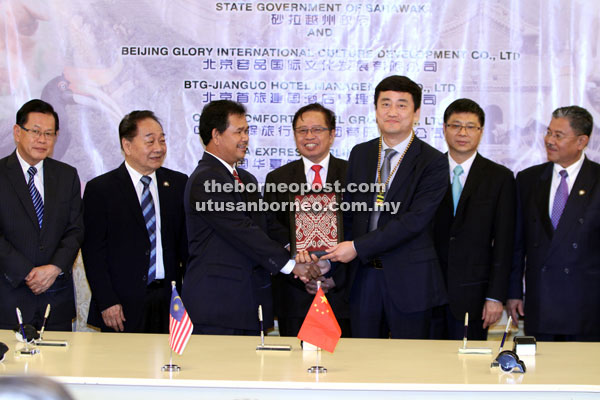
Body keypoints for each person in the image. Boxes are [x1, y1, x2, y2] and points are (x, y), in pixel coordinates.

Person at [183, 100, 323, 335]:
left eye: (247, 131)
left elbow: (266, 223)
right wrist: (291, 265)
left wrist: (298, 249)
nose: (246, 138)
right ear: (216, 135)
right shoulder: (206, 180)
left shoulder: (244, 179)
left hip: (248, 302)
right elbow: (243, 231)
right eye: (238, 131)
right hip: (217, 305)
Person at [323, 75, 448, 339]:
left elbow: (414, 221)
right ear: (376, 109)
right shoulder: (361, 154)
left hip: (410, 280)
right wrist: (329, 260)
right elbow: (348, 215)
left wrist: (357, 247)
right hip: (363, 278)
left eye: (402, 105)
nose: (392, 112)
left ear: (416, 113)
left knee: (410, 366)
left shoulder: (433, 161)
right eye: (386, 104)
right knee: (364, 364)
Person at [82, 111, 188, 333]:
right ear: (127, 146)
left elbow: (185, 247)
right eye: (150, 141)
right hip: (121, 305)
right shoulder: (101, 189)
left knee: (168, 364)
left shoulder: (178, 184)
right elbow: (93, 252)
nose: (159, 147)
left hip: (169, 301)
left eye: (162, 140)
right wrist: (107, 301)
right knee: (124, 367)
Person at [507, 105, 600, 341]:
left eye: (558, 135)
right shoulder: (528, 179)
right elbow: (517, 244)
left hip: (586, 305)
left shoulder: (597, 179)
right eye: (548, 132)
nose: (549, 140)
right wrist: (514, 292)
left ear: (581, 142)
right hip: (540, 304)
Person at [431, 98, 515, 340]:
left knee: (467, 370)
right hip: (427, 292)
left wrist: (495, 296)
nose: (462, 133)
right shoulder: (426, 171)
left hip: (474, 297)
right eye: (456, 125)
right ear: (445, 129)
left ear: (481, 131)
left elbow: (504, 242)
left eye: (470, 126)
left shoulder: (500, 178)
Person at [264, 103, 350, 337]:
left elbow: (360, 231)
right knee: (295, 370)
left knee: (347, 368)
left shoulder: (352, 174)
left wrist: (332, 276)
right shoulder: (277, 178)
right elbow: (272, 228)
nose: (309, 136)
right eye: (302, 130)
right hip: (295, 295)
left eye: (317, 129)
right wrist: (301, 271)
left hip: (343, 294)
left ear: (332, 135)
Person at [0, 99, 83, 331]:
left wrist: (54, 268)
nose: (42, 139)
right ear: (18, 132)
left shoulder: (67, 176)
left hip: (56, 299)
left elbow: (75, 229)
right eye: (35, 132)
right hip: (9, 296)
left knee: (59, 366)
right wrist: (27, 272)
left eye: (49, 133)